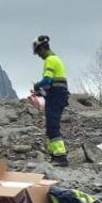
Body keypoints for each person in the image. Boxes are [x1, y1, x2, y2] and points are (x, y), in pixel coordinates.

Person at [32, 35, 69, 166]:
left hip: (56, 96)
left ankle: (60, 156)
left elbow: (47, 81)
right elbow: (50, 85)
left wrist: (37, 86)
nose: (38, 55)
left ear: (42, 48)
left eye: (38, 51)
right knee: (50, 126)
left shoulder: (50, 60)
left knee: (53, 126)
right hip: (56, 95)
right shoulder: (56, 59)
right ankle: (54, 155)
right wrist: (41, 92)